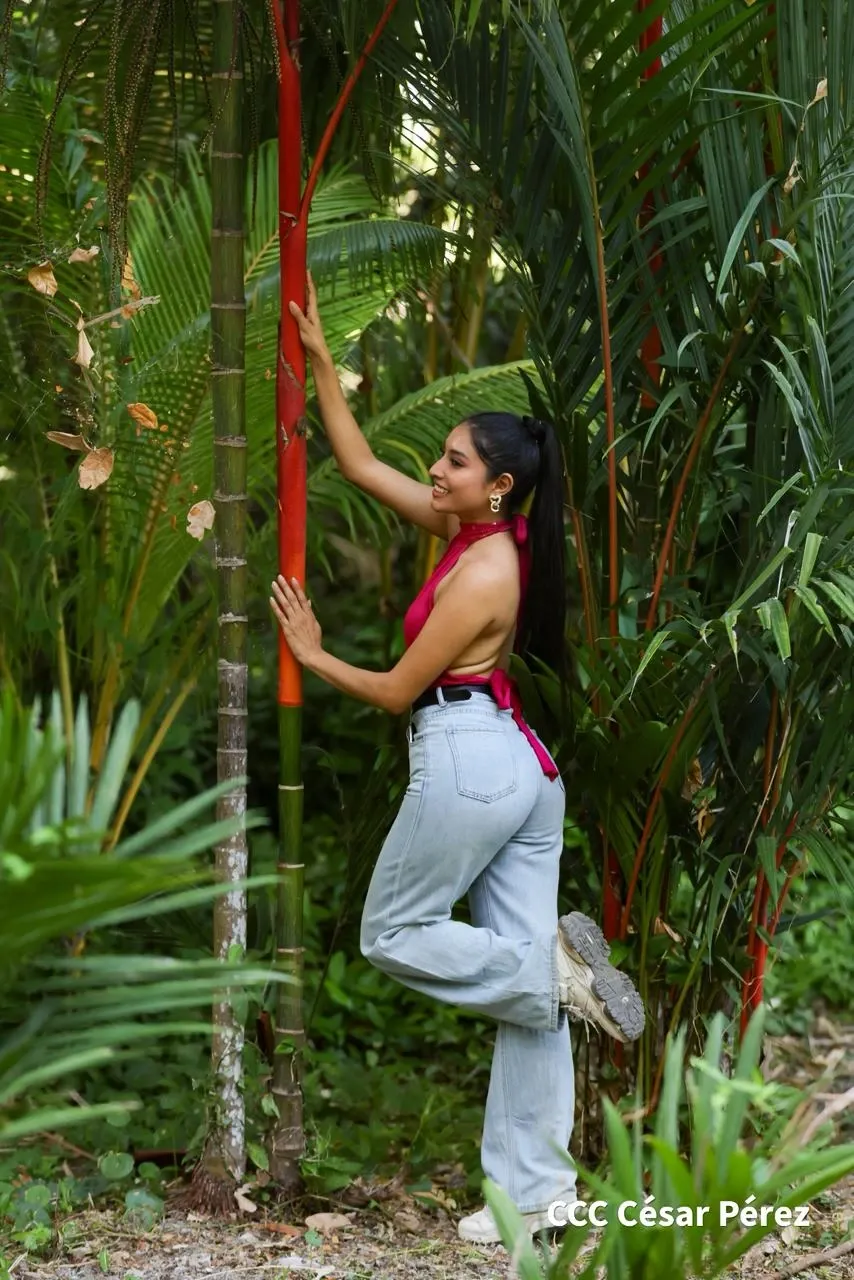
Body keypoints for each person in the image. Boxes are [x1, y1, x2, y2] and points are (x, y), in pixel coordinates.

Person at [270, 273, 644, 1245]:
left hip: (468, 753)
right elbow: (354, 464)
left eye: (452, 461)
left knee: (392, 931)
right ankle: (539, 1193)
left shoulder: (481, 570)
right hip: (519, 768)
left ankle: (547, 969)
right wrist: (321, 367)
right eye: (439, 459)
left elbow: (397, 689)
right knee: (534, 1011)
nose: (434, 470)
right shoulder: (480, 532)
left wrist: (315, 657)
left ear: (499, 482)